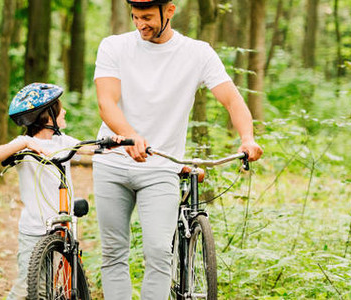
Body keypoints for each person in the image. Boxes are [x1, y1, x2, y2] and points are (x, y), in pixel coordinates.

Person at [92, 0, 264, 299]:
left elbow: (233, 101)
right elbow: (107, 102)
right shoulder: (114, 46)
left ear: (169, 11)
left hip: (160, 168)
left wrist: (247, 138)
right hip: (113, 162)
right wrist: (130, 136)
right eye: (134, 17)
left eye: (146, 17)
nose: (139, 24)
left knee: (159, 252)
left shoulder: (197, 53)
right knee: (114, 252)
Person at [0, 82, 124, 299]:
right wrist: (25, 144)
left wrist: (111, 144)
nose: (65, 111)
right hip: (33, 229)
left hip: (62, 224)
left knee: (53, 285)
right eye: (60, 108)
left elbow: (88, 149)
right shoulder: (25, 143)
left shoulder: (63, 141)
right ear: (47, 116)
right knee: (29, 287)